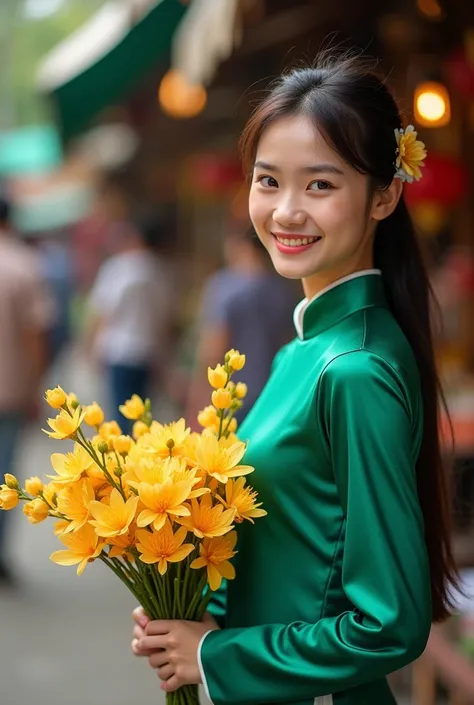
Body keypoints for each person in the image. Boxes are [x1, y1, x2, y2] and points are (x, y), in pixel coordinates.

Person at [130, 54, 458, 705]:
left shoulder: (355, 370)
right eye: (268, 180)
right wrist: (184, 603)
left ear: (385, 195)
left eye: (319, 186)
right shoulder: (306, 349)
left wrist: (215, 653)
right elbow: (295, 546)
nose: (285, 211)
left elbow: (390, 624)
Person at [186, 225, 297, 426]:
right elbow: (287, 344)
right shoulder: (282, 290)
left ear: (238, 246)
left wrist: (199, 392)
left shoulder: (224, 286)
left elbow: (214, 343)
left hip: (231, 393)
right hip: (270, 391)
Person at [0, 196, 55, 585]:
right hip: (10, 389)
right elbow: (35, 333)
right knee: (4, 476)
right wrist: (36, 385)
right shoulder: (22, 264)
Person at [85, 217, 173, 433]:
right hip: (147, 351)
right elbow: (166, 318)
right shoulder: (160, 271)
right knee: (143, 415)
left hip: (119, 351)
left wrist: (90, 346)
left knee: (119, 415)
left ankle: (122, 461)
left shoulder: (118, 266)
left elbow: (102, 310)